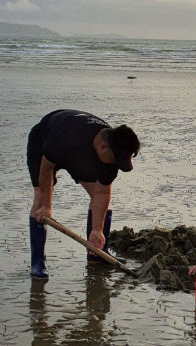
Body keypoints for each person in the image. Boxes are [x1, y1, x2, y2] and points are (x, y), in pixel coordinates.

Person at [27, 109, 140, 279]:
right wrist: (46, 206)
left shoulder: (112, 152)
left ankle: (97, 253)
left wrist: (97, 230)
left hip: (81, 154)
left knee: (97, 200)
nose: (117, 164)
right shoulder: (67, 136)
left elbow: (102, 192)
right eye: (116, 160)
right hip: (44, 144)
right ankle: (37, 261)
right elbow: (46, 169)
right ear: (103, 148)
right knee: (39, 202)